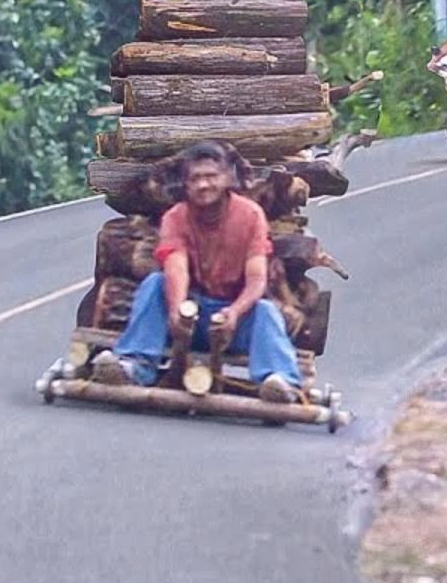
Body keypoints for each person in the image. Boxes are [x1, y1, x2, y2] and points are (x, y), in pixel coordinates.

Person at [92, 141, 303, 403]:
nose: (204, 185)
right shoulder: (176, 217)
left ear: (227, 178)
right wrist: (178, 311)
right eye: (196, 179)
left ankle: (280, 380)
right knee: (155, 283)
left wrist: (234, 313)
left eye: (211, 177)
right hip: (191, 311)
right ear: (186, 184)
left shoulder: (250, 215)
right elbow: (176, 267)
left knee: (266, 311)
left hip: (233, 317)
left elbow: (257, 278)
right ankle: (133, 365)